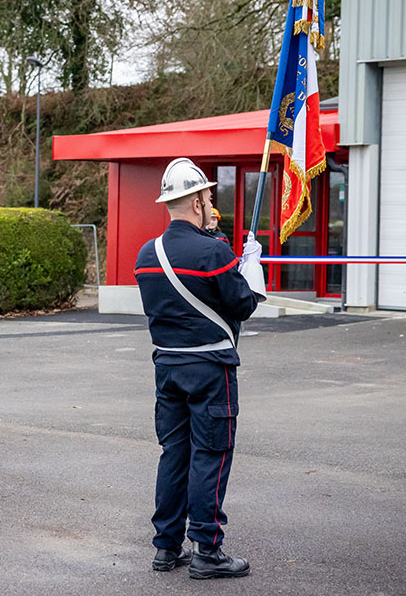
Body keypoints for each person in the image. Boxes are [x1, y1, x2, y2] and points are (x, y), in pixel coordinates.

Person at [133, 157, 263, 580]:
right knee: (211, 455)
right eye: (208, 197)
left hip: (166, 366)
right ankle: (207, 549)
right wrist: (250, 272)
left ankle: (167, 547)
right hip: (210, 368)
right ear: (194, 203)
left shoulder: (145, 253)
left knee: (174, 454)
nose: (212, 203)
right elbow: (241, 305)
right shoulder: (213, 250)